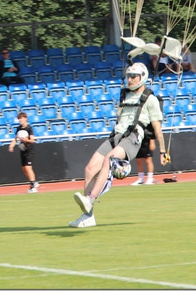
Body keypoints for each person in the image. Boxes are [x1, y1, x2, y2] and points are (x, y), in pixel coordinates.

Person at [69, 62, 168, 228]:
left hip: (133, 138)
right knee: (89, 169)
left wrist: (163, 151)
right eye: (128, 76)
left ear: (142, 77)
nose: (129, 79)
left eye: (133, 76)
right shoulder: (125, 95)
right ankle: (88, 217)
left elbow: (157, 129)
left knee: (110, 159)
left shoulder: (151, 99)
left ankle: (90, 199)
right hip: (116, 136)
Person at [8, 111, 40, 193]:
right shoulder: (19, 128)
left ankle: (33, 187)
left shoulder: (29, 128)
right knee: (24, 169)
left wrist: (26, 140)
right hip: (23, 149)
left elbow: (32, 140)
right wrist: (11, 145)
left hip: (29, 149)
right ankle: (33, 182)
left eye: (21, 119)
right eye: (19, 119)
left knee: (28, 167)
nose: (20, 120)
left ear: (25, 118)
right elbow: (16, 138)